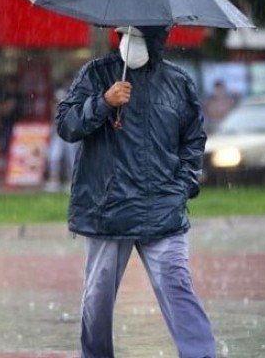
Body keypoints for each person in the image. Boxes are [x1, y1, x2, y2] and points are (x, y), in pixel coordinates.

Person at [56, 25, 215, 358]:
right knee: (97, 298)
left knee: (177, 286)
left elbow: (193, 139)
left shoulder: (177, 82)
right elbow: (67, 125)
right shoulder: (96, 74)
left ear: (158, 39)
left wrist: (183, 185)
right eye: (125, 33)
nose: (131, 42)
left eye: (140, 35)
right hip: (107, 209)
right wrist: (102, 102)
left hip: (162, 209)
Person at [45, 75, 79, 192]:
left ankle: (72, 181)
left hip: (70, 134)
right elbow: (53, 123)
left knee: (72, 158)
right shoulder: (56, 108)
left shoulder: (73, 100)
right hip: (58, 134)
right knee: (54, 156)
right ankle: (54, 180)